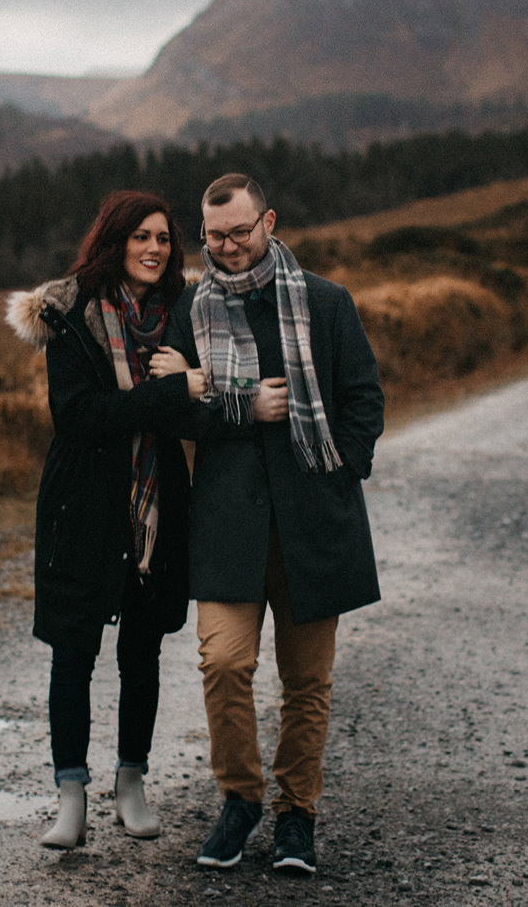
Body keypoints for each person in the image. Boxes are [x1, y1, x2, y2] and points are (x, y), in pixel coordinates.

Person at [163, 172, 384, 875]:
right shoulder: (189, 312)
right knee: (224, 661)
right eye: (214, 235)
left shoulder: (325, 302)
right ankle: (240, 798)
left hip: (312, 524)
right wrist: (240, 407)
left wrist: (338, 471)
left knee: (306, 681)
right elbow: (173, 409)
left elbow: (363, 399)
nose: (227, 246)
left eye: (239, 230)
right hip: (226, 524)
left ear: (269, 222)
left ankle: (297, 814)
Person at [6, 189, 207, 849]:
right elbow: (81, 415)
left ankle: (131, 782)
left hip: (155, 503)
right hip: (84, 503)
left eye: (163, 238)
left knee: (141, 648)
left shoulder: (184, 317)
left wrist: (182, 390)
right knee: (73, 650)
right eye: (140, 236)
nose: (154, 248)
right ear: (116, 240)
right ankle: (70, 795)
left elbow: (192, 414)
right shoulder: (68, 313)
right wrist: (169, 390)